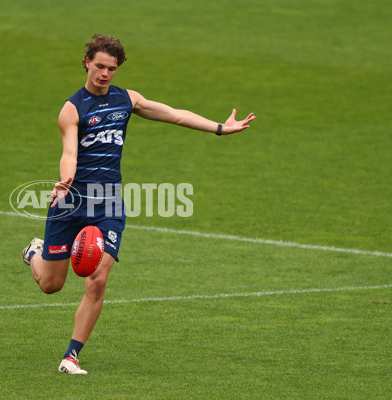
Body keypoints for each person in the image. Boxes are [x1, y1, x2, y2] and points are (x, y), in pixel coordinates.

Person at [22, 34, 256, 375]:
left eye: (111, 69)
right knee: (51, 285)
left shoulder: (127, 100)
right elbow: (69, 151)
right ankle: (34, 252)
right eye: (99, 66)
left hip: (109, 205)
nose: (105, 74)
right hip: (70, 203)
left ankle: (71, 356)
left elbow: (175, 115)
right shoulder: (72, 109)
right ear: (87, 62)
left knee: (97, 279)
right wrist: (65, 180)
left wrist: (219, 127)